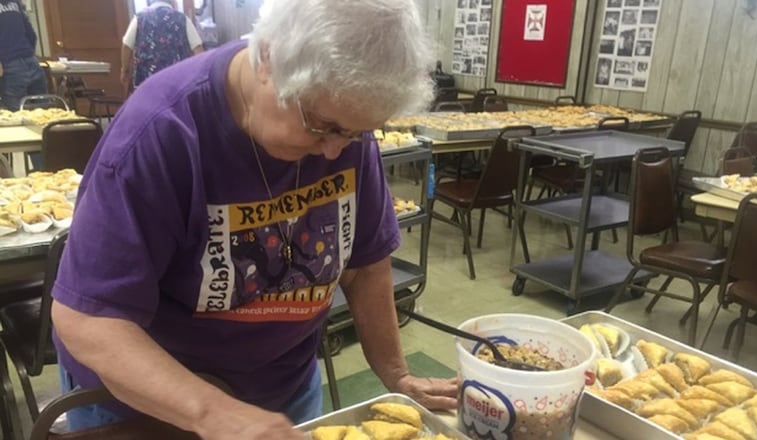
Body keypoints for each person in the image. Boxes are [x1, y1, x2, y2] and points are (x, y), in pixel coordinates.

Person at [52, 0, 457, 438]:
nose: (335, 151)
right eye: (323, 126)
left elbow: (365, 267)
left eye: (356, 133)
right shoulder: (159, 133)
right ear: (267, 57)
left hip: (281, 387)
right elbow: (87, 319)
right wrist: (215, 414)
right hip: (151, 406)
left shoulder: (343, 127)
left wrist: (397, 374)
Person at [120, 0, 204, 90]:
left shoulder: (139, 18)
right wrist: (198, 74)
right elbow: (197, 48)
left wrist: (124, 70)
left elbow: (126, 46)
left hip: (146, 80)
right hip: (177, 80)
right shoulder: (183, 19)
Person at [0, 0, 48, 110]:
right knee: (43, 110)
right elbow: (31, 34)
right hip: (31, 60)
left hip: (8, 64)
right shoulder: (15, 3)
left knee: (15, 113)